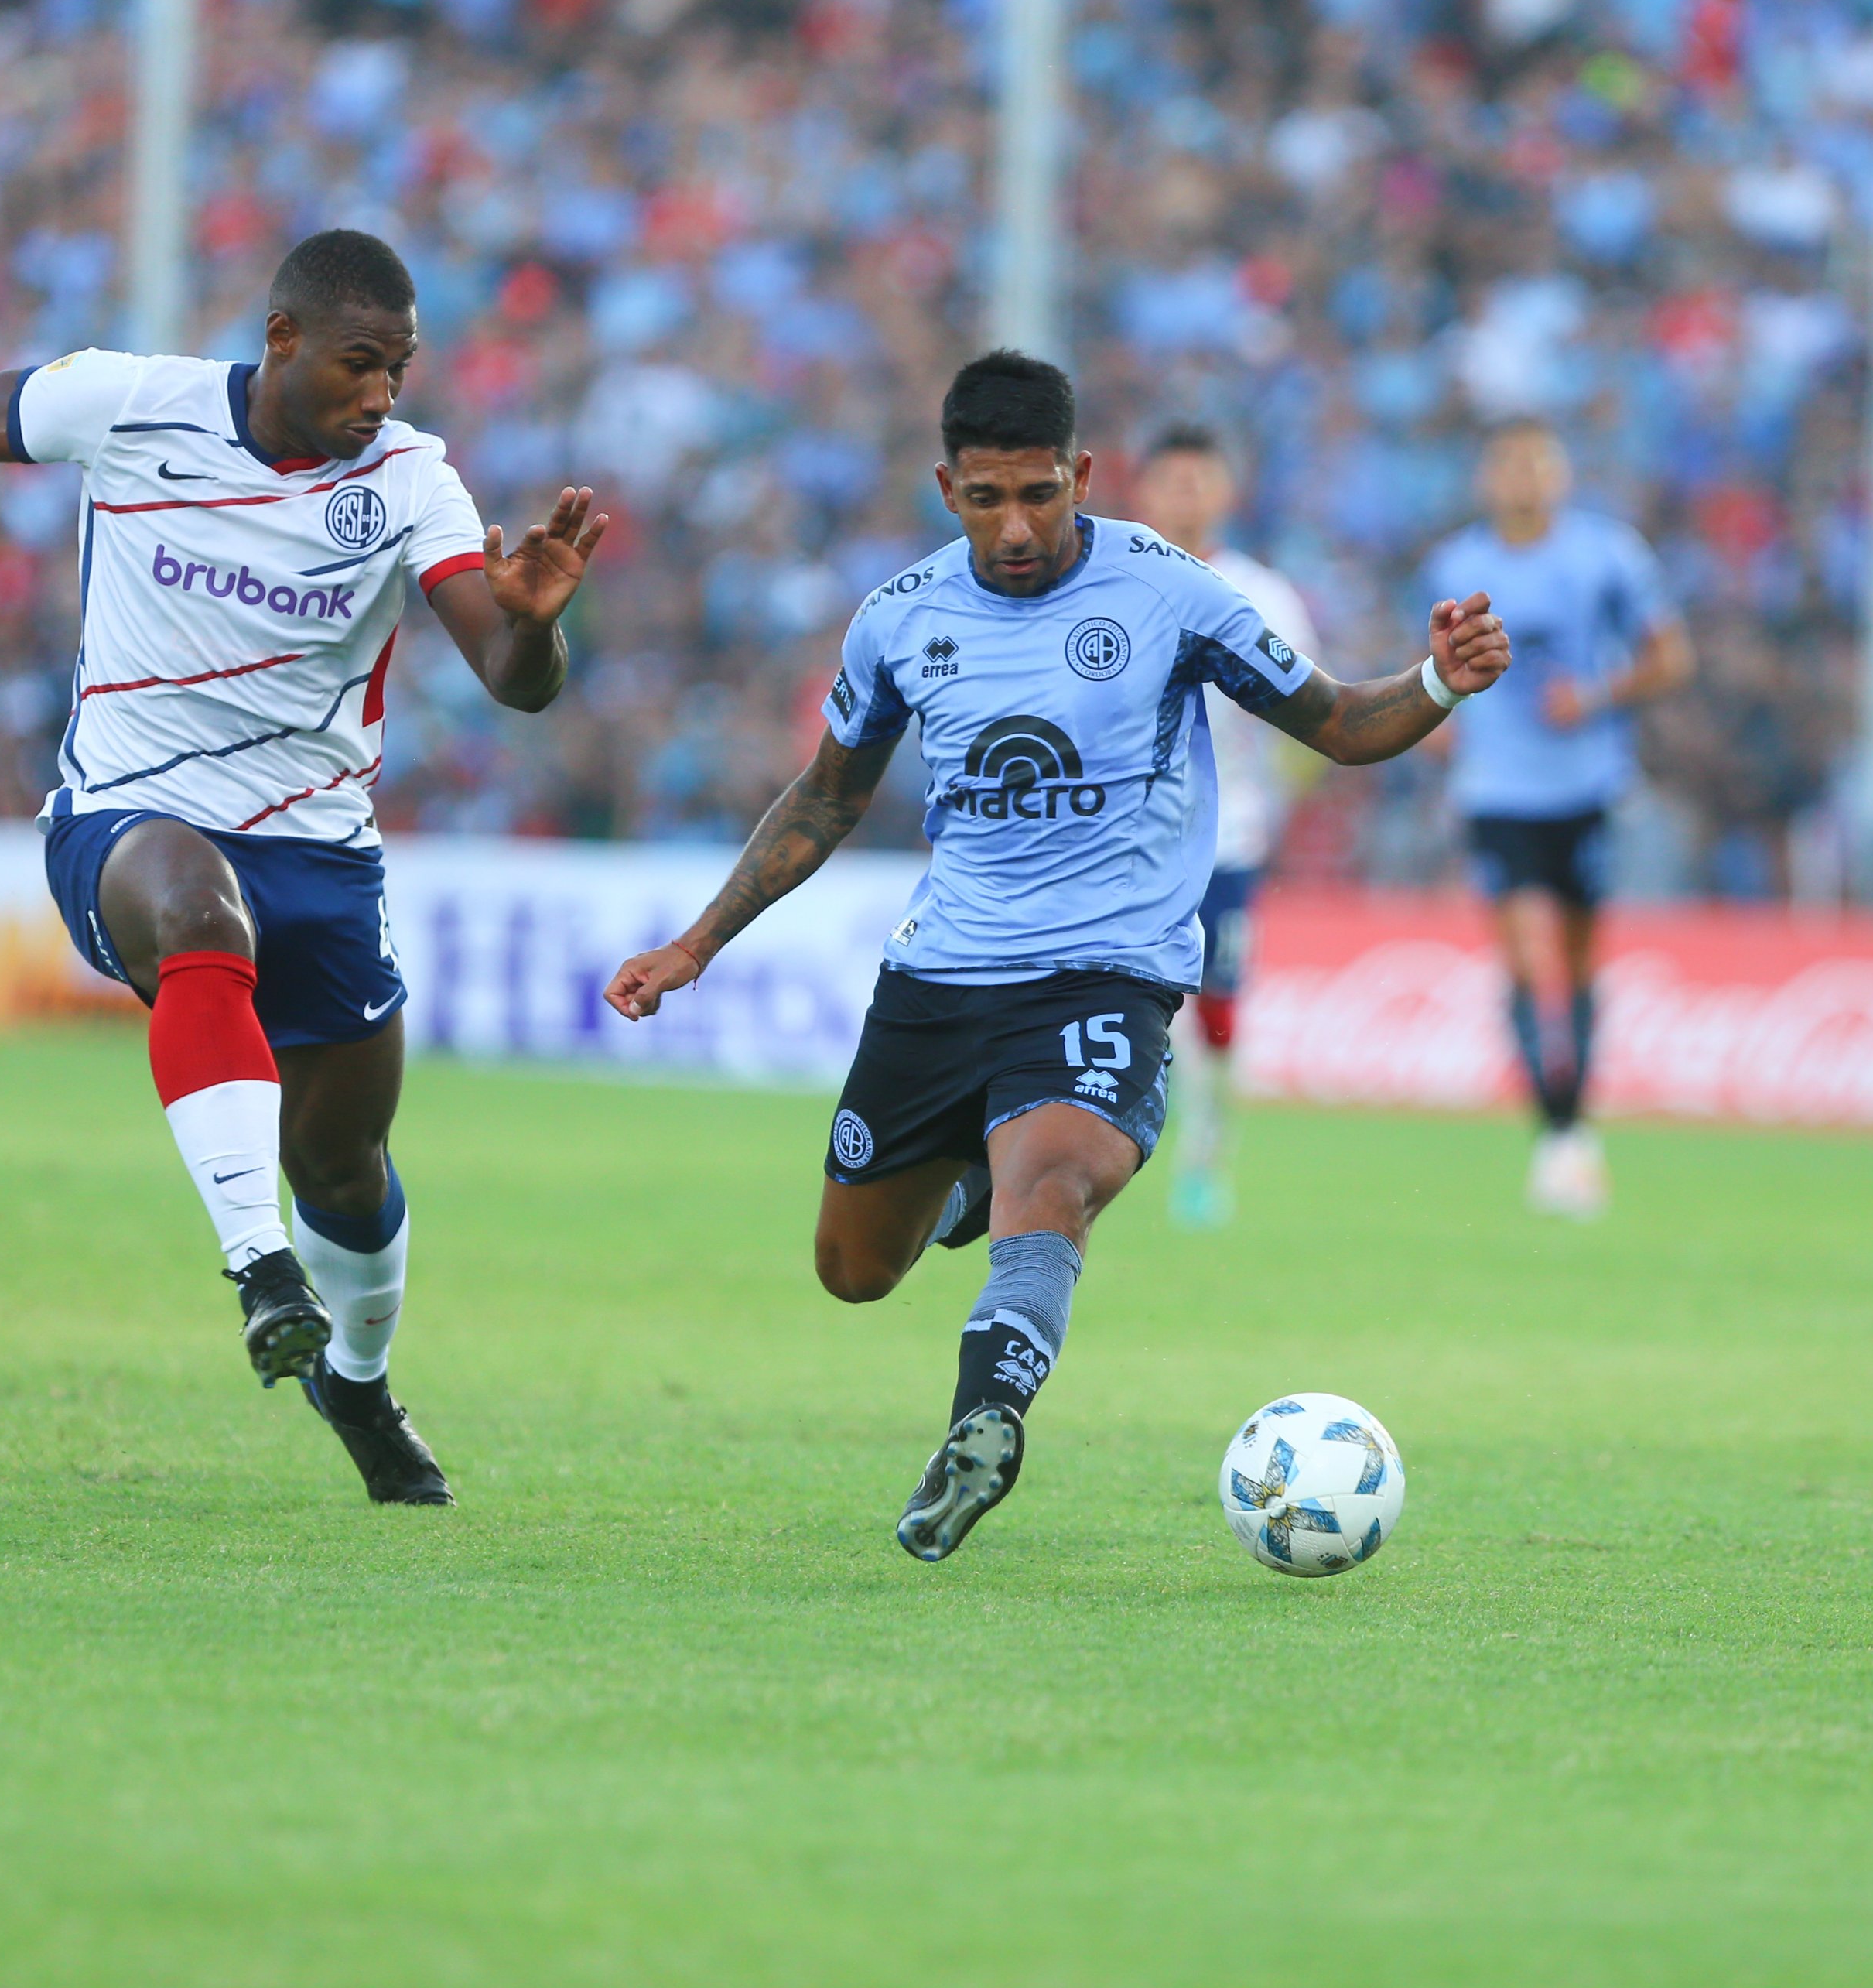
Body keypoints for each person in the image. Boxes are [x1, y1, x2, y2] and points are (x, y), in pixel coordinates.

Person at [0, 229, 607, 1507]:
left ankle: (360, 1384)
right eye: (362, 364)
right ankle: (260, 1270)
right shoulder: (130, 405)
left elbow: (507, 679)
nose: (382, 394)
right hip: (127, 818)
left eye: (401, 369)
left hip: (319, 853)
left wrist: (537, 632)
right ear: (282, 341)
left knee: (347, 1168)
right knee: (199, 915)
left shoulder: (412, 480)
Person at [602, 351, 1509, 1562]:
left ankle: (984, 1423)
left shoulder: (1170, 594)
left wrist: (1438, 681)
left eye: (1041, 493)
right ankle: (970, 1185)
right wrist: (694, 944)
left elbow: (1340, 721)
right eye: (988, 498)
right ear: (947, 488)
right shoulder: (900, 620)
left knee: (1060, 1180)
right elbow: (823, 801)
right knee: (853, 1268)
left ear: (1081, 474)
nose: (1018, 525)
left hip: (1109, 969)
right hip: (943, 976)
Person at [1415, 420, 1693, 1218]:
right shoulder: (1458, 566)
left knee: (1573, 960)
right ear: (1485, 478)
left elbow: (1671, 656)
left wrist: (1596, 696)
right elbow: (1427, 665)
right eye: (1508, 464)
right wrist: (1431, 724)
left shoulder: (1608, 555)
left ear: (1563, 474)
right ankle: (1558, 1129)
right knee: (1528, 952)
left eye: (1540, 463)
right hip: (1496, 790)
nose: (1525, 479)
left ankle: (1569, 1124)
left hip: (1586, 787)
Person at [1127, 424, 1321, 1230]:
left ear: (1226, 493)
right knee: (1126, 998)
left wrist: (1278, 806)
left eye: (1201, 479)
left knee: (1216, 1004)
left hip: (1228, 836)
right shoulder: (1111, 585)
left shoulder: (1264, 597)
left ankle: (1206, 1154)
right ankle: (1110, 1140)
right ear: (1143, 491)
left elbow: (1315, 715)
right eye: (1170, 480)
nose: (1186, 495)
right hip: (1125, 838)